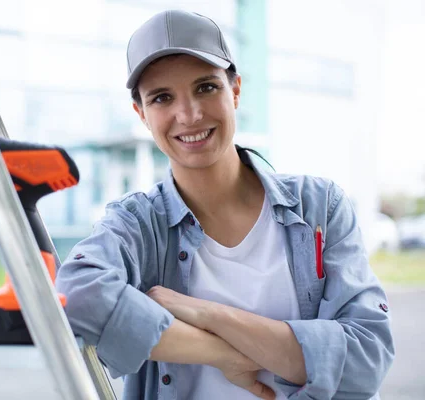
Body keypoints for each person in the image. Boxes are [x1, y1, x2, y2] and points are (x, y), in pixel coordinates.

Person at [56, 9, 394, 400]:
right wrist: (222, 354)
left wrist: (210, 315)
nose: (189, 114)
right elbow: (77, 296)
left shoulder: (319, 206)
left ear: (235, 90)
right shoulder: (136, 223)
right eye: (162, 97)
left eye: (206, 87)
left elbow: (367, 356)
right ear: (142, 114)